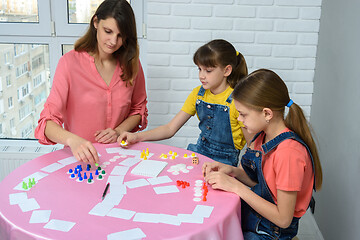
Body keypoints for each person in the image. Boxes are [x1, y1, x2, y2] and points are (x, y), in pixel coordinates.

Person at [203, 69, 323, 239]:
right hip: (255, 218)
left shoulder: (288, 153)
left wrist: (235, 186)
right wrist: (232, 171)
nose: (239, 119)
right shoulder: (263, 136)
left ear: (267, 113)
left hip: (270, 232)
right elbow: (259, 181)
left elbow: (283, 219)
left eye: (243, 114)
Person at [35, 0, 148, 164]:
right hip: (80, 162)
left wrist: (118, 131)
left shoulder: (132, 64)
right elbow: (47, 123)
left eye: (120, 36)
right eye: (108, 31)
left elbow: (138, 109)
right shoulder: (69, 63)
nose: (113, 42)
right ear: (96, 22)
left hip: (121, 160)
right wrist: (73, 140)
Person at [118, 39, 250, 166]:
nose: (201, 76)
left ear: (227, 70)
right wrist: (136, 137)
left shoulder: (237, 101)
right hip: (199, 153)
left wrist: (240, 173)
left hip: (224, 162)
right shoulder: (198, 94)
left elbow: (251, 143)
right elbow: (170, 129)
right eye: (199, 69)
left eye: (208, 71)